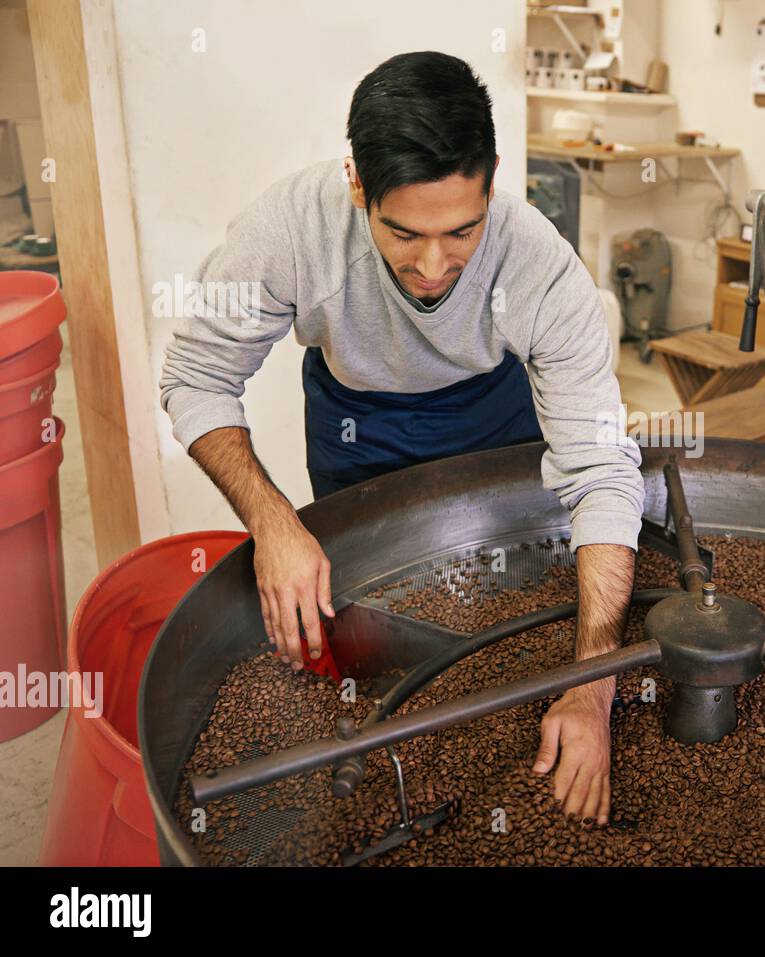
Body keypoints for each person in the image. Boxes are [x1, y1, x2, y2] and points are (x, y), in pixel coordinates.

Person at [159, 51, 644, 827]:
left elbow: (604, 468)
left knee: (512, 610)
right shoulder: (291, 230)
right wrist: (275, 522)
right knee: (380, 638)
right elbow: (195, 376)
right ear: (358, 186)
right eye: (404, 232)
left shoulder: (539, 265)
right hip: (359, 432)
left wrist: (594, 684)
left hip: (496, 422)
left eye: (462, 231)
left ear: (491, 185)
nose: (431, 266)